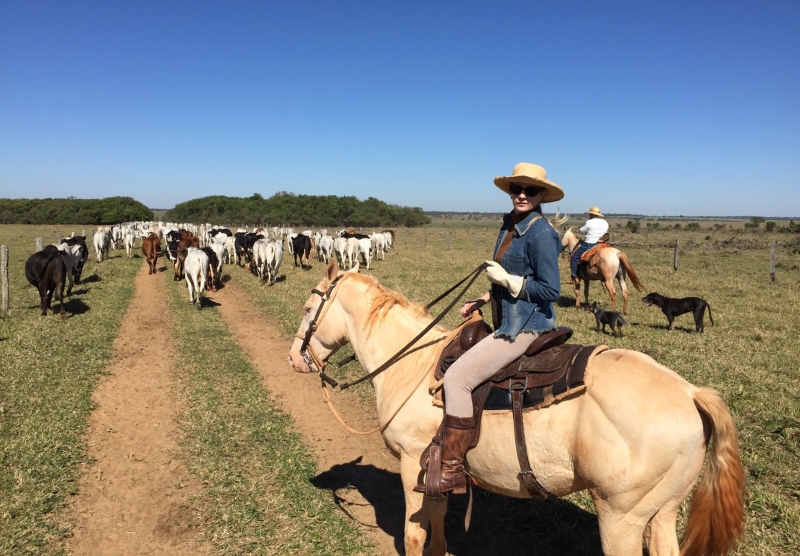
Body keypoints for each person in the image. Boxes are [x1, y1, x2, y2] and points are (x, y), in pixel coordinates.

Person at [415, 162, 564, 497]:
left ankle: (451, 468)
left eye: (530, 190)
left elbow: (550, 290)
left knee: (457, 378)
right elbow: (507, 273)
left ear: (541, 195)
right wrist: (485, 295)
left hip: (526, 326)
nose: (522, 195)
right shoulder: (510, 224)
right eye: (517, 189)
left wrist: (510, 282)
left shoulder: (540, 233)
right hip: (507, 316)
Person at [569, 206, 609, 283]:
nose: (589, 215)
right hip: (601, 244)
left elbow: (582, 231)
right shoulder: (605, 222)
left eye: (590, 214)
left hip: (590, 244)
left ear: (592, 214)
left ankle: (575, 276)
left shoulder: (589, 222)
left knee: (573, 257)